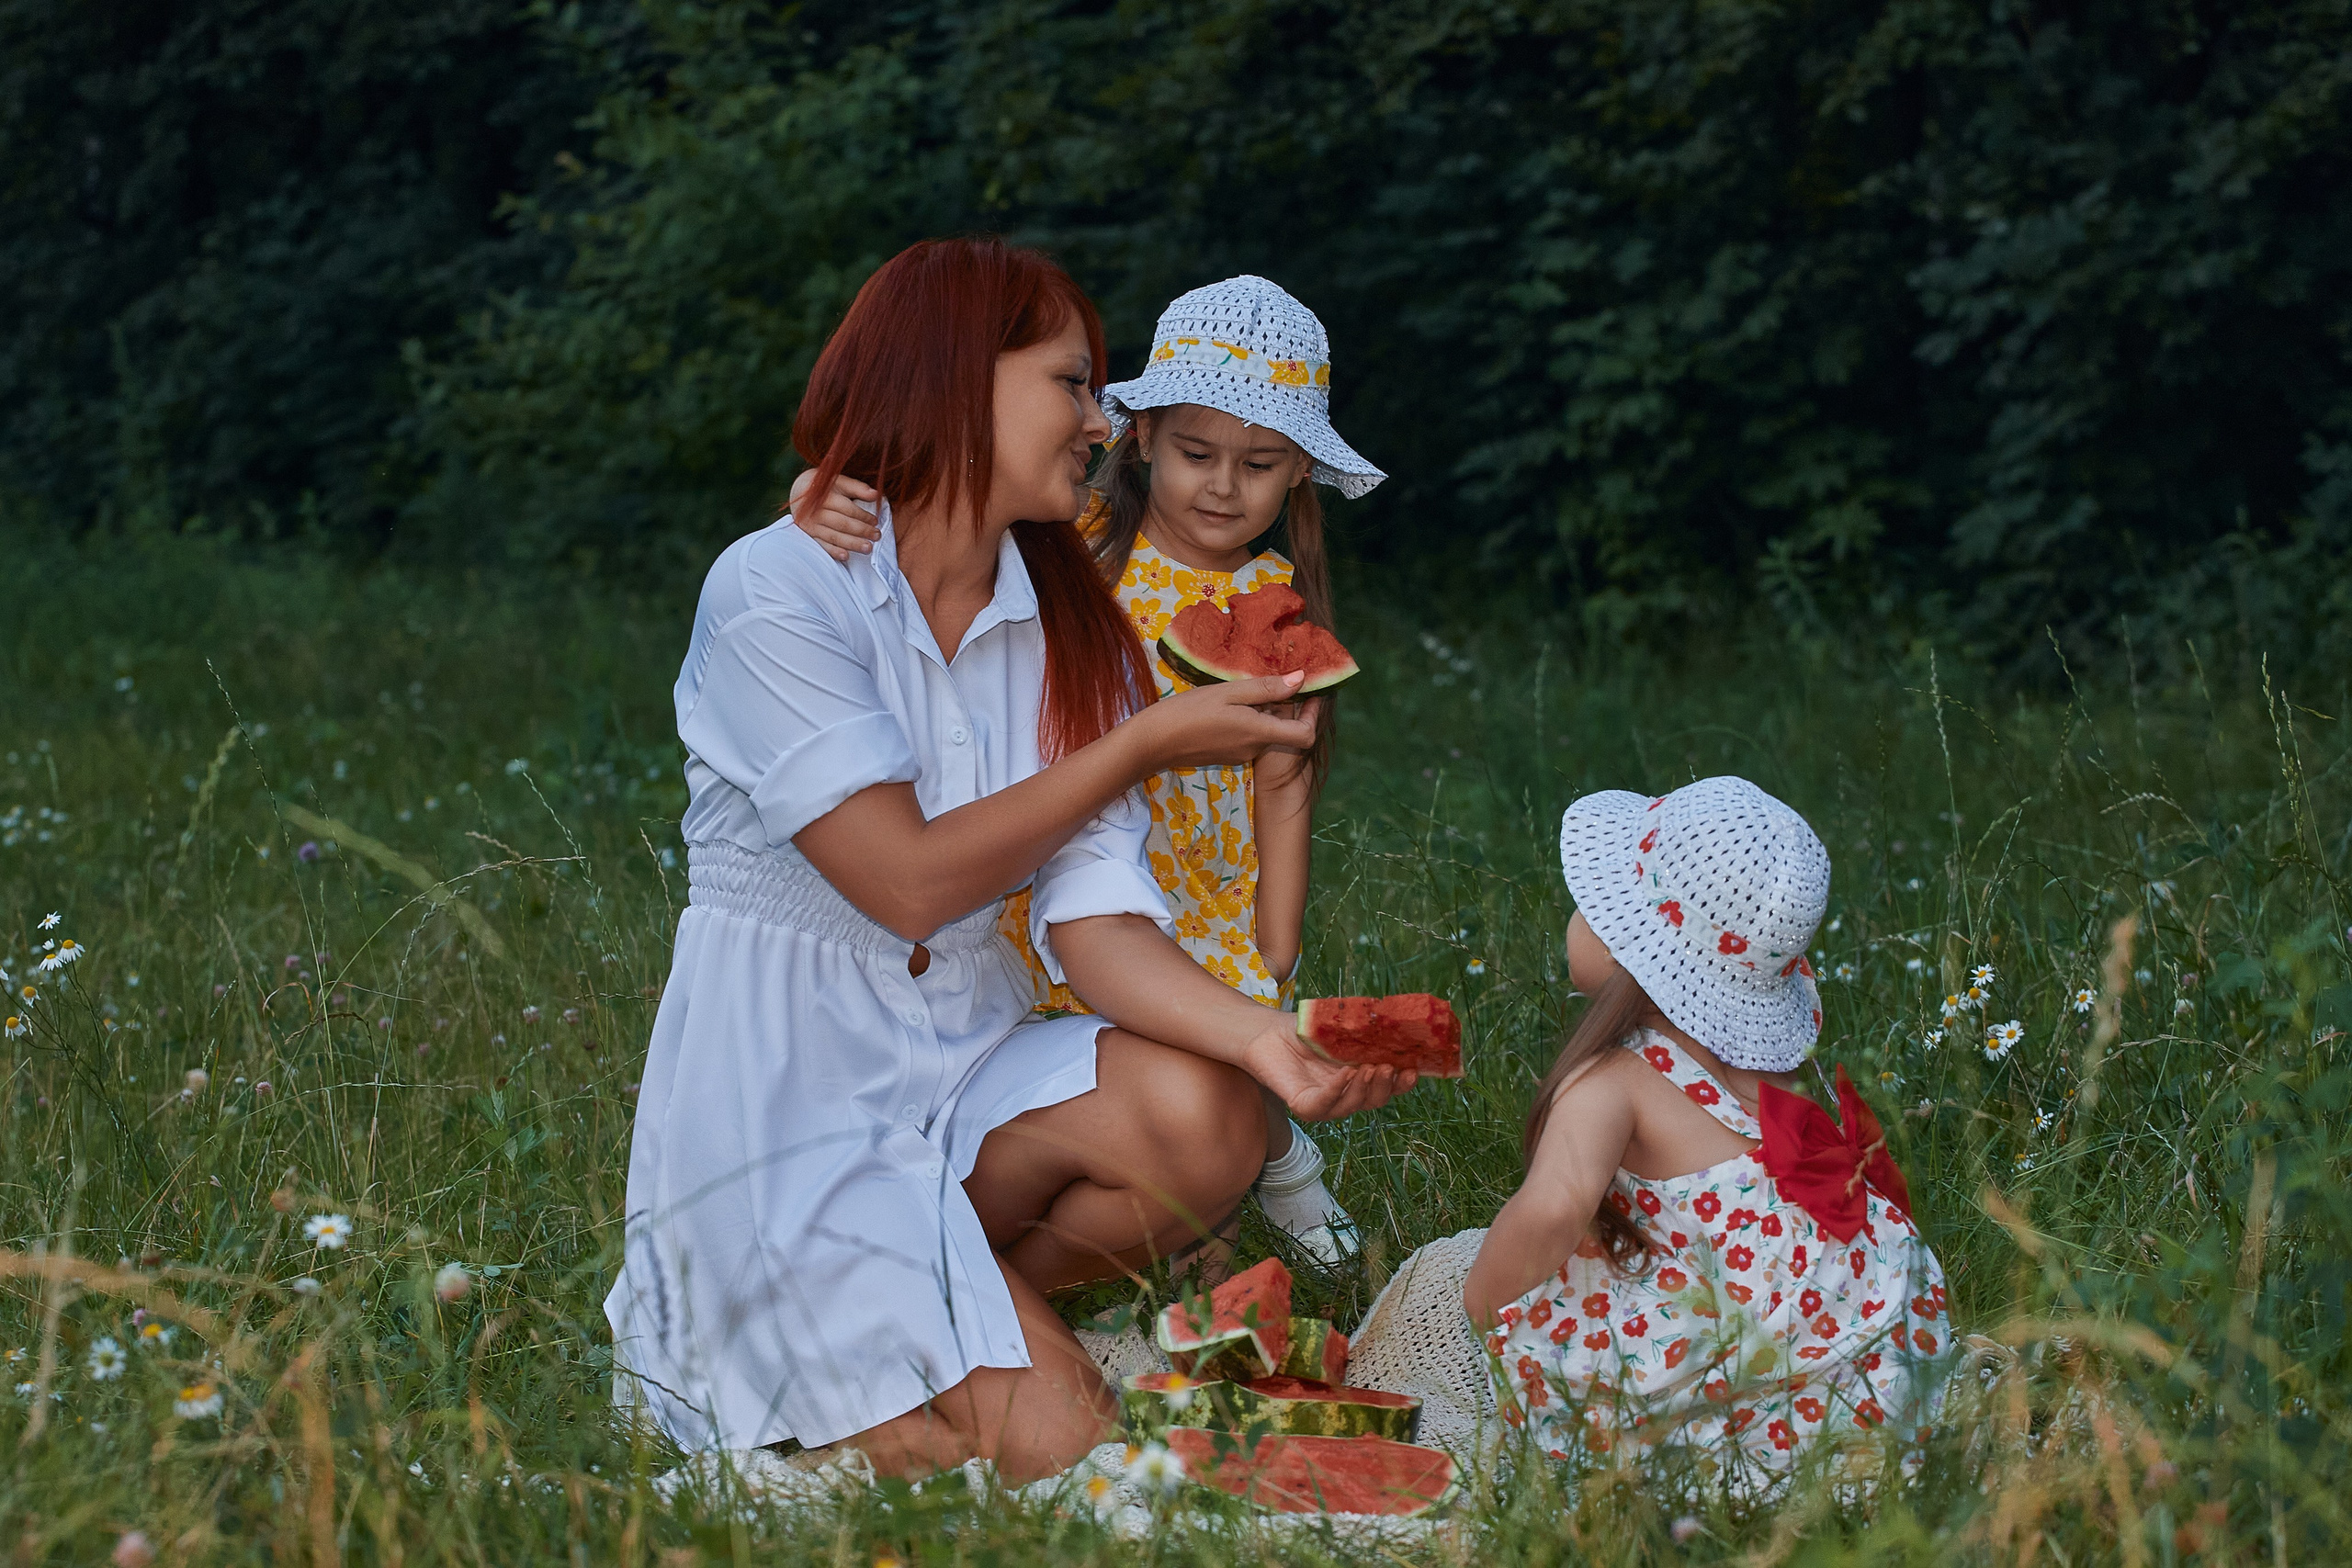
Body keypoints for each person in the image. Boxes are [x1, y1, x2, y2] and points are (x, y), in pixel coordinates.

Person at [605, 238, 1415, 1486]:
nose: (1103, 419)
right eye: (1074, 384)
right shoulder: (778, 589)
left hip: (964, 1064)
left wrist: (1263, 1037)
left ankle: (944, 1323)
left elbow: (1094, 926)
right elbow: (912, 880)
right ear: (953, 380)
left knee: (1209, 1115)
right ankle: (849, 1356)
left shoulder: (1068, 623)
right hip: (792, 1113)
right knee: (1078, 1452)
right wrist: (1142, 741)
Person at [792, 275, 1376, 1263]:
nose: (1224, 488)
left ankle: (1235, 1228)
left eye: (1260, 465)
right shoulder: (1073, 545)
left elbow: (1284, 789)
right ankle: (1243, 1190)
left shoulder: (1276, 608)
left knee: (1210, 1145)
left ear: (1299, 478)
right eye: (1196, 453)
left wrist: (1276, 947)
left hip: (1199, 900)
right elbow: (934, 530)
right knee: (1161, 1099)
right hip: (1057, 879)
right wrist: (821, 494)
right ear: (1139, 437)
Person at [1458, 775, 1948, 1478]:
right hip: (1851, 1338)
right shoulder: (1766, 1067)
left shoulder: (1610, 1081)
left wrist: (1481, 1301)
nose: (1574, 915)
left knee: (1567, 1357)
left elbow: (1557, 1203)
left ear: (1629, 940)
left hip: (1727, 1363)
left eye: (1590, 903)